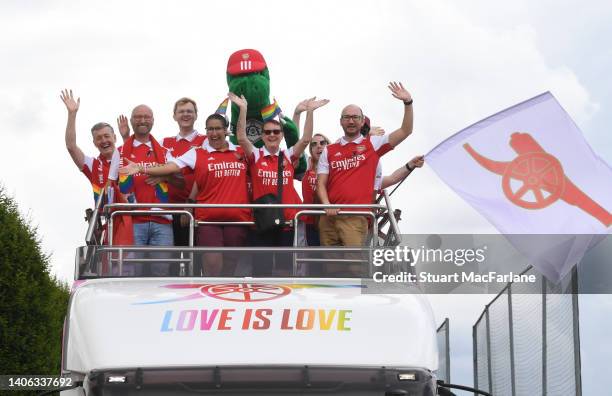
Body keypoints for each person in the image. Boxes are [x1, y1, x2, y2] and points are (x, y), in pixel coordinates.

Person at [120, 104, 251, 276]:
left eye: (218, 129)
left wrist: (243, 109)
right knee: (209, 264)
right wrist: (141, 169)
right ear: (173, 115)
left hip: (237, 217)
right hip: (200, 216)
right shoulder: (196, 151)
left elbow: (242, 138)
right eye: (210, 129)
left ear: (226, 130)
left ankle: (223, 299)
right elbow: (171, 166)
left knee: (231, 265)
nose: (214, 133)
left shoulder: (241, 152)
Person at [316, 82, 414, 274]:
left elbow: (405, 131)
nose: (351, 121)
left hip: (355, 218)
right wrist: (327, 204)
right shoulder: (330, 149)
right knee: (331, 271)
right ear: (341, 121)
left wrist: (408, 102)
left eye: (355, 117)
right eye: (347, 117)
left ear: (362, 122)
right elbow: (321, 183)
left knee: (355, 270)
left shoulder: (373, 144)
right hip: (328, 217)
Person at [236, 94, 328, 275]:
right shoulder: (255, 155)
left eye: (276, 132)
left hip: (286, 222)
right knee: (261, 271)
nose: (271, 135)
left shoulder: (288, 155)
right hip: (261, 222)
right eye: (268, 132)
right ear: (262, 135)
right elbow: (241, 138)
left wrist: (310, 112)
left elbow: (306, 140)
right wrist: (243, 109)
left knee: (284, 271)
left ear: (281, 135)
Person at [118, 104, 173, 275]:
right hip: (133, 221)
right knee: (132, 273)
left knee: (162, 273)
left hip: (162, 221)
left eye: (146, 117)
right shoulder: (119, 152)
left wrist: (165, 176)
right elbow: (110, 183)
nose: (142, 120)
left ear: (153, 120)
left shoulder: (165, 152)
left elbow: (181, 180)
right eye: (138, 117)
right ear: (131, 120)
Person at [161, 98, 207, 247]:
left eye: (189, 111)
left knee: (195, 258)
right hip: (169, 209)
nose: (185, 114)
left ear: (196, 115)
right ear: (174, 116)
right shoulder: (164, 142)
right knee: (172, 260)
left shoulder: (206, 140)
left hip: (197, 208)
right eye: (181, 111)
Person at [61, 89, 119, 204]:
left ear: (115, 138)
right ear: (94, 143)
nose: (104, 141)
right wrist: (72, 114)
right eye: (99, 138)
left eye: (107, 136)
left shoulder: (128, 158)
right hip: (107, 219)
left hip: (133, 218)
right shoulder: (93, 164)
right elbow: (71, 146)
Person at [301, 133, 331, 246]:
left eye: (322, 143)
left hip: (330, 219)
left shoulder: (336, 166)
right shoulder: (306, 165)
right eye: (314, 144)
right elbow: (296, 143)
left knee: (329, 258)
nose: (318, 146)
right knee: (314, 259)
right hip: (310, 222)